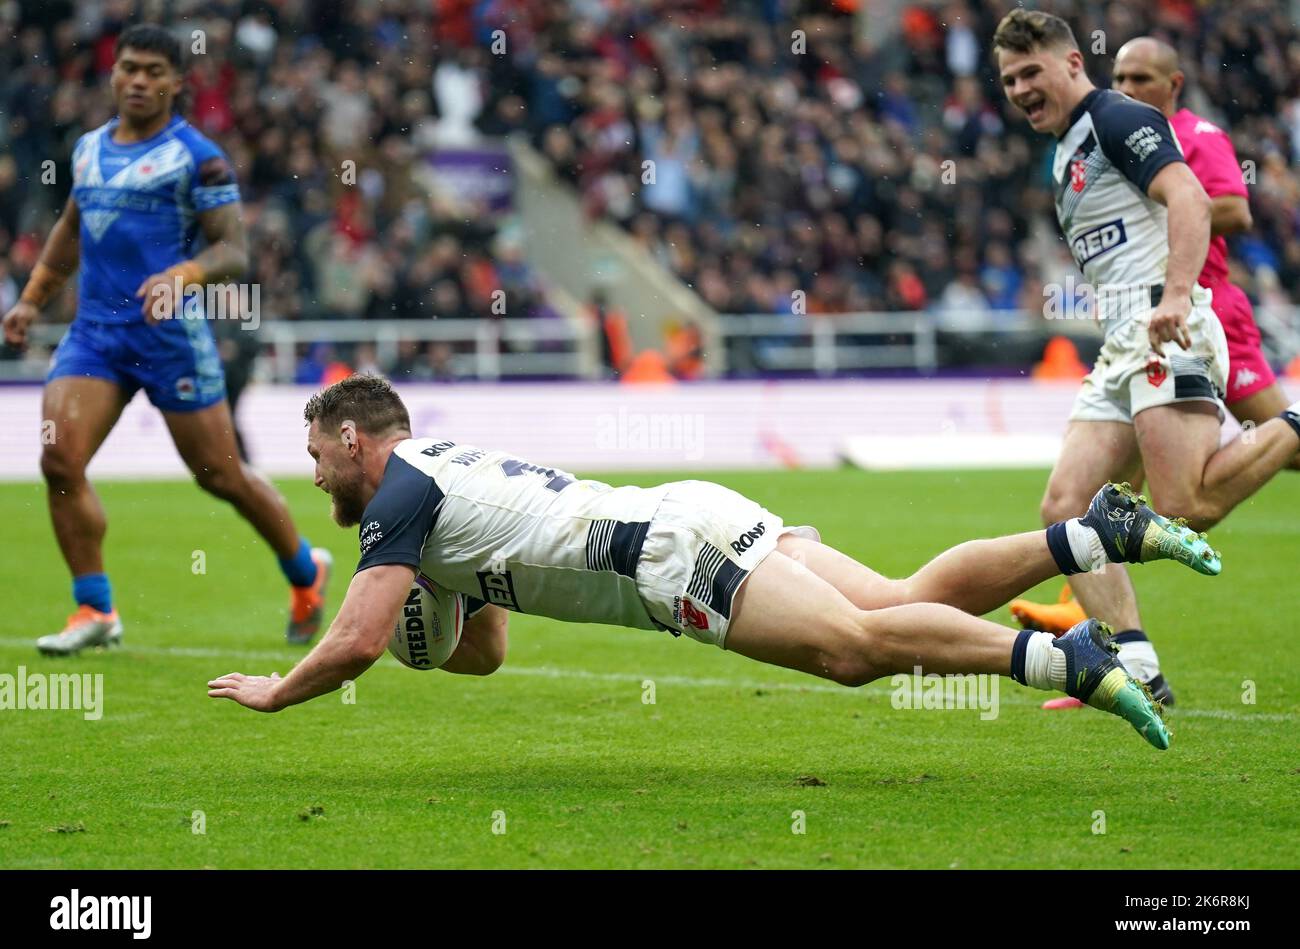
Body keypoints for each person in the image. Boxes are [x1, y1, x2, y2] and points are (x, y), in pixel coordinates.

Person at [208, 374, 1229, 750]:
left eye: (315, 455)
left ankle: (1067, 657)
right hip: (684, 514)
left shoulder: (396, 499)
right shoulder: (432, 476)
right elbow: (483, 654)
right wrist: (441, 607)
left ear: (353, 438)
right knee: (902, 597)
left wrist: (277, 689)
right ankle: (1094, 532)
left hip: (666, 557)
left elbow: (356, 641)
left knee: (854, 650)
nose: (314, 475)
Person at [993, 10, 1300, 706]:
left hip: (1165, 326)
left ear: (1073, 63)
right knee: (1066, 506)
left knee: (1184, 507)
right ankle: (1136, 665)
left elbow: (1191, 196)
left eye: (1031, 72)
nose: (1020, 89)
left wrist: (1179, 295)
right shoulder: (1065, 148)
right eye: (1009, 80)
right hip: (1122, 342)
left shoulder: (1114, 117)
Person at [0, 25, 331, 653]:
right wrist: (32, 298)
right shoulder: (89, 149)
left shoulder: (198, 157)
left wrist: (184, 274)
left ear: (178, 81)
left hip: (169, 340)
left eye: (154, 71)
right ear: (114, 74)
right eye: (129, 67)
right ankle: (95, 608)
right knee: (59, 460)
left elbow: (233, 250)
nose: (139, 81)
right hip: (95, 337)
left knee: (221, 477)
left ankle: (303, 569)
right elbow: (70, 228)